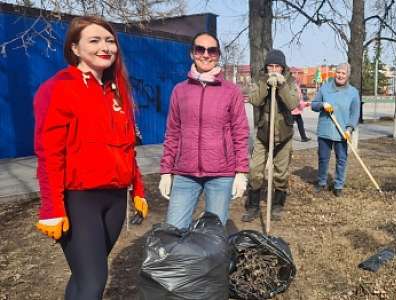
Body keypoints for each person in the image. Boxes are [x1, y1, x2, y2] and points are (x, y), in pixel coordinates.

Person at [33, 16, 149, 300]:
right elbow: (49, 153)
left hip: (114, 200)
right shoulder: (58, 87)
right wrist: (52, 208)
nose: (105, 47)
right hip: (78, 200)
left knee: (84, 278)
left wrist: (139, 189)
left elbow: (127, 148)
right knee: (94, 282)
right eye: (94, 40)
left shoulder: (117, 92)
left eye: (109, 41)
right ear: (74, 47)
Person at [158, 32, 249, 228]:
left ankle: (212, 260)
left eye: (212, 50)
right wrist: (166, 170)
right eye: (200, 49)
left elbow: (240, 132)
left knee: (213, 234)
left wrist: (241, 171)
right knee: (174, 229)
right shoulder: (180, 90)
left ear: (218, 55)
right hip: (185, 172)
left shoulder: (231, 91)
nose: (206, 55)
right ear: (192, 54)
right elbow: (172, 132)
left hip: (221, 174)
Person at [242, 49, 299, 222]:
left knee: (280, 174)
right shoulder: (258, 80)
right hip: (263, 134)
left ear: (283, 68)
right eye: (270, 66)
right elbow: (255, 100)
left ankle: (277, 205)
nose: (274, 70)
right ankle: (253, 206)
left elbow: (292, 103)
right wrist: (266, 85)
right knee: (255, 171)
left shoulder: (290, 82)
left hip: (284, 135)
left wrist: (281, 86)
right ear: (266, 67)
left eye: (277, 66)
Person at [311, 63, 360, 197]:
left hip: (342, 132)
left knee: (341, 159)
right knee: (323, 158)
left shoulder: (353, 92)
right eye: (338, 72)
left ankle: (338, 185)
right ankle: (321, 182)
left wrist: (349, 129)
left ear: (348, 75)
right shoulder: (325, 88)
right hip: (325, 130)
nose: (340, 75)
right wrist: (322, 104)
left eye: (343, 73)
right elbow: (313, 105)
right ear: (335, 73)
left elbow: (355, 113)